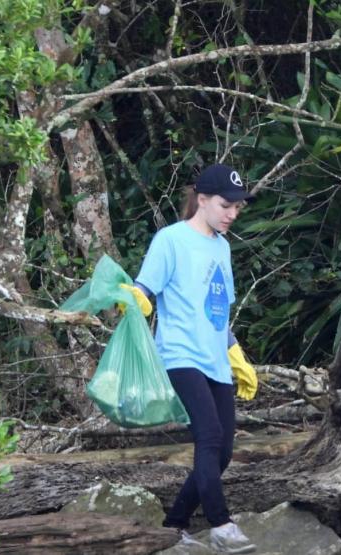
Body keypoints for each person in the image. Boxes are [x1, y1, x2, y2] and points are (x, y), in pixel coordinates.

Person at [120, 163, 260, 554]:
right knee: (209, 437)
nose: (232, 214)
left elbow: (219, 311)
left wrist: (236, 355)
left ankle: (175, 524)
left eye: (237, 207)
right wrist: (136, 300)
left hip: (215, 359)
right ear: (202, 200)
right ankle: (221, 525)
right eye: (225, 205)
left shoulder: (222, 246)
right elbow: (145, 288)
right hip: (179, 355)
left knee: (225, 451)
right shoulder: (171, 240)